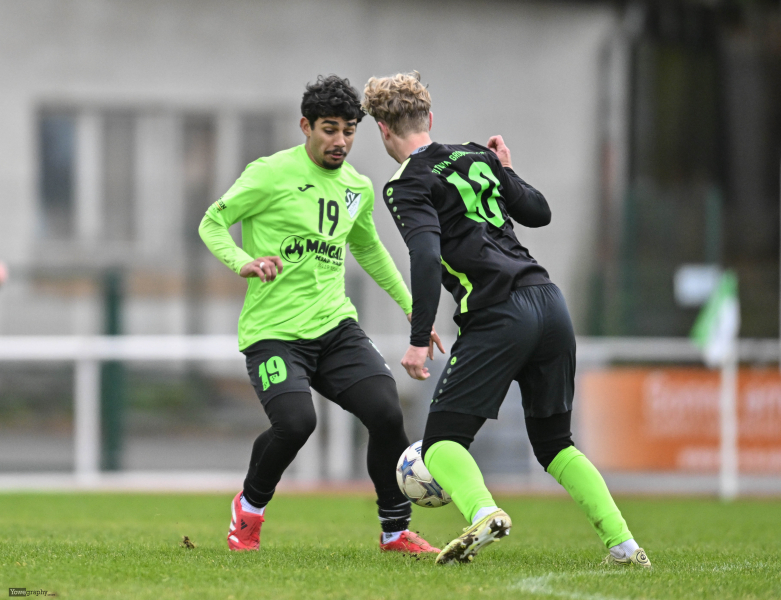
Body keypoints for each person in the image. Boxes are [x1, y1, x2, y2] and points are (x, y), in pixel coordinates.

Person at [361, 72, 651, 567]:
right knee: (556, 443)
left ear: (384, 131)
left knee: (441, 443)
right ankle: (624, 546)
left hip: (498, 311)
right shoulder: (477, 156)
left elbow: (427, 258)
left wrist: (416, 338)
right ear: (429, 119)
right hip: (549, 301)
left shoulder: (406, 182)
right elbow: (539, 212)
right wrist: (505, 171)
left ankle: (483, 513)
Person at [199, 74, 442, 554]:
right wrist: (242, 262)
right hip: (274, 334)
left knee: (386, 412)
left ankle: (395, 532)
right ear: (305, 126)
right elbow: (213, 222)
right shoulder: (269, 173)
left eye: (349, 130)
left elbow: (370, 252)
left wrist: (416, 310)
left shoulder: (358, 186)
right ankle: (248, 510)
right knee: (296, 422)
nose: (341, 141)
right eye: (330, 129)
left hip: (335, 329)